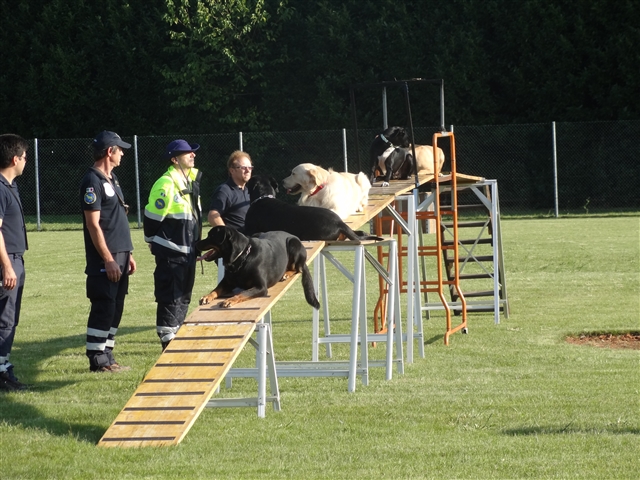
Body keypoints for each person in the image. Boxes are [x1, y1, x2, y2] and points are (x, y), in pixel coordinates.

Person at [80, 131, 136, 373]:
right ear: (109, 151)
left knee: (116, 306)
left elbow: (117, 219)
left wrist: (127, 254)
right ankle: (97, 359)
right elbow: (94, 224)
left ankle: (108, 355)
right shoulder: (92, 181)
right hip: (107, 259)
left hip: (120, 255)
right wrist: (109, 258)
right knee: (104, 305)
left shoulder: (112, 179)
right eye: (120, 149)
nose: (122, 153)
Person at [144, 140, 202, 351]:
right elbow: (151, 219)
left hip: (187, 253)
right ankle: (167, 341)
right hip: (172, 254)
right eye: (187, 153)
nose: (192, 155)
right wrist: (152, 241)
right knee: (170, 297)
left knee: (183, 297)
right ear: (174, 158)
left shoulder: (190, 181)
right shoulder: (166, 183)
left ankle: (175, 337)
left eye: (192, 153)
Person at [0, 134, 29, 391]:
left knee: (11, 317)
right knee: (4, 318)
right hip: (6, 261)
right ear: (14, 159)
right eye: (24, 157)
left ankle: (4, 365)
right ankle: (1, 371)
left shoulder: (10, 185)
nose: (26, 161)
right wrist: (7, 267)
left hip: (15, 259)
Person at [207, 150, 253, 230]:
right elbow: (213, 216)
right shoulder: (224, 190)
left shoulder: (248, 191)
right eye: (243, 167)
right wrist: (227, 236)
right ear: (232, 171)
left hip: (249, 240)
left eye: (250, 167)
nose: (248, 170)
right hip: (235, 241)